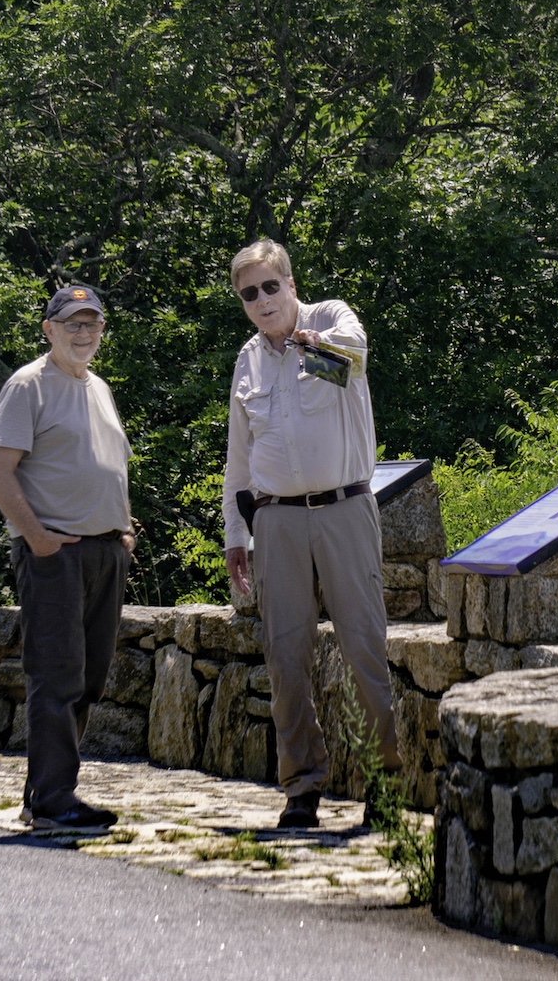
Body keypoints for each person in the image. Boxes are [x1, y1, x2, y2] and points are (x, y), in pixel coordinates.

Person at [222, 239, 402, 829]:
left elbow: (353, 359)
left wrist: (303, 342)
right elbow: (239, 459)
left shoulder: (330, 319)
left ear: (291, 285)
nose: (262, 300)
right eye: (249, 293)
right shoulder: (247, 361)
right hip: (275, 519)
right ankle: (301, 788)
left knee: (364, 650)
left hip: (344, 509)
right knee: (285, 657)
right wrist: (235, 535)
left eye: (270, 286)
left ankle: (385, 783)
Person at [0, 283, 135, 832]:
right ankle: (54, 800)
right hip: (55, 556)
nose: (83, 332)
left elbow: (106, 464)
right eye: (72, 323)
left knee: (89, 679)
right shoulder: (29, 385)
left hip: (104, 552)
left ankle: (42, 796)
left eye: (92, 323)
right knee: (58, 676)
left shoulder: (98, 387)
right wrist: (38, 539)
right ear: (48, 329)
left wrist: (123, 528)